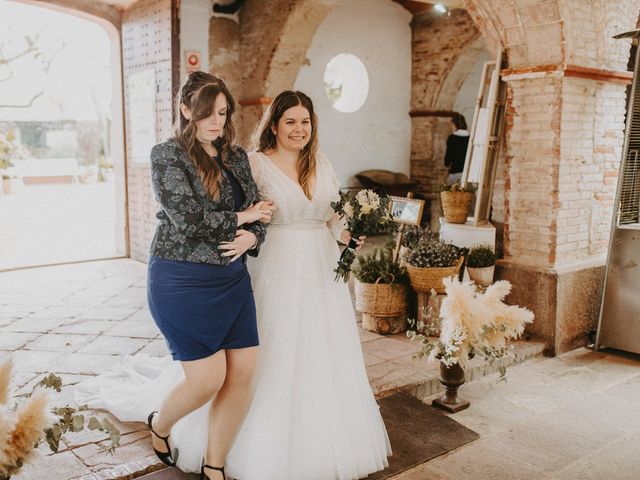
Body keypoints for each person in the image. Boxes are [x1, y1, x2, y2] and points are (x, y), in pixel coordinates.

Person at [75, 90, 390, 480]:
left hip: (320, 271)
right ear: (273, 125)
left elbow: (329, 217)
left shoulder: (321, 164)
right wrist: (252, 229)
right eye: (290, 121)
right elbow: (227, 213)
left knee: (317, 355)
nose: (299, 129)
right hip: (272, 270)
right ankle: (224, 443)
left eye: (305, 121)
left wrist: (346, 234)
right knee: (259, 361)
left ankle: (295, 447)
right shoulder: (254, 162)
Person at [144, 71, 273, 480]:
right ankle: (160, 425)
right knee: (207, 380)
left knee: (243, 373)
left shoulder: (235, 156)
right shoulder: (166, 155)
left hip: (232, 281)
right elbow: (188, 219)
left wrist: (252, 237)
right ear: (185, 110)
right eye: (206, 114)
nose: (216, 122)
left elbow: (263, 214)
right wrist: (246, 216)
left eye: (222, 113)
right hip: (181, 279)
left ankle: (214, 465)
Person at [443, 113, 470, 184]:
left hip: (455, 171)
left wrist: (446, 164)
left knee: (452, 194)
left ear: (455, 125)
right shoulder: (470, 138)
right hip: (468, 172)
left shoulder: (452, 138)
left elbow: (448, 157)